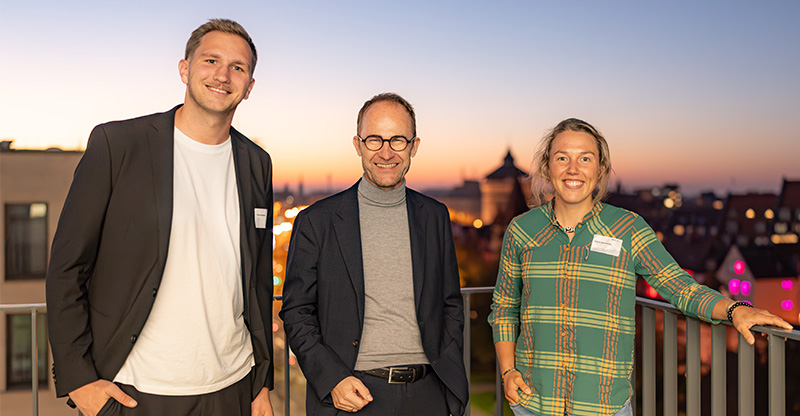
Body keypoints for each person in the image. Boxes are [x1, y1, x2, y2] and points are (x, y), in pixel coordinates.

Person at [45, 19, 274, 416]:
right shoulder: (118, 145)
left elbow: (256, 280)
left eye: (238, 67)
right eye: (210, 60)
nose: (222, 75)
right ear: (184, 69)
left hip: (233, 388)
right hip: (136, 390)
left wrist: (262, 382)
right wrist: (79, 380)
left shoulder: (257, 163)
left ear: (249, 87)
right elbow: (67, 268)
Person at [488, 118, 793, 416]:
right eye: (562, 158)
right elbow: (504, 306)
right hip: (533, 401)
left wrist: (734, 309)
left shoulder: (629, 228)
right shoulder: (522, 230)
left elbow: (679, 285)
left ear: (601, 170)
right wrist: (508, 371)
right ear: (547, 167)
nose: (573, 169)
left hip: (603, 405)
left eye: (585, 158)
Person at [279, 92, 469, 415]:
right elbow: (296, 312)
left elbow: (450, 303)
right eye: (374, 140)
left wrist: (447, 384)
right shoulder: (316, 222)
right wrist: (333, 379)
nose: (386, 152)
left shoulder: (435, 216)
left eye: (397, 140)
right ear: (357, 145)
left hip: (430, 395)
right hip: (353, 395)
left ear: (414, 146)